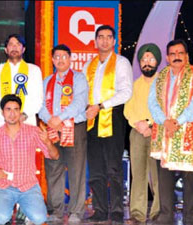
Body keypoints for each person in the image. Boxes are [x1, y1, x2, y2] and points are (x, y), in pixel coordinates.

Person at [82, 25, 133, 223]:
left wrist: (102, 106)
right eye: (100, 37)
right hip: (92, 120)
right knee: (96, 169)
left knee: (113, 168)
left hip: (113, 117)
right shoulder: (89, 65)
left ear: (114, 41)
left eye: (108, 37)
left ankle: (118, 210)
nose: (104, 41)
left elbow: (126, 92)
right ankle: (100, 209)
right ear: (95, 41)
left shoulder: (121, 63)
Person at [148, 39, 193, 225]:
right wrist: (165, 122)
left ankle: (191, 219)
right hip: (164, 133)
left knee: (190, 181)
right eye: (173, 54)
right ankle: (165, 217)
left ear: (186, 56)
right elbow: (152, 103)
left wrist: (177, 122)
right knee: (164, 180)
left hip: (186, 132)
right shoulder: (160, 77)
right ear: (168, 58)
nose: (176, 57)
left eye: (180, 53)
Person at [0, 94, 59, 225]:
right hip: (4, 186)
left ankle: (24, 209)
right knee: (0, 218)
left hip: (28, 185)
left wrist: (48, 142)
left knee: (39, 218)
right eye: (8, 109)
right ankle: (7, 209)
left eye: (16, 109)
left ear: (20, 111)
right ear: (2, 112)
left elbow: (55, 156)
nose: (12, 113)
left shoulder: (33, 131)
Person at [38, 44, 88, 223]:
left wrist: (59, 118)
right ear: (52, 60)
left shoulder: (79, 78)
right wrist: (51, 120)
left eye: (64, 56)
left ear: (70, 58)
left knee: (77, 171)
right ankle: (57, 211)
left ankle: (76, 212)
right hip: (52, 129)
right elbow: (40, 105)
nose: (60, 60)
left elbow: (80, 103)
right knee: (53, 170)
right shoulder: (47, 81)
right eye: (57, 57)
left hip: (74, 127)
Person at [123, 43, 161, 223]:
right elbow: (127, 109)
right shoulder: (135, 84)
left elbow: (166, 108)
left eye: (151, 58)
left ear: (157, 61)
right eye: (144, 59)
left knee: (158, 176)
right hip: (137, 132)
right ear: (139, 62)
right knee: (138, 175)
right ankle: (137, 214)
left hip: (158, 132)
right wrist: (137, 124)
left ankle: (157, 213)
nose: (147, 62)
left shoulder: (163, 84)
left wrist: (149, 124)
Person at [0, 34, 43, 130]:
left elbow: (38, 99)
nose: (14, 47)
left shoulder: (34, 70)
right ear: (6, 50)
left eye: (17, 44)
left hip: (26, 121)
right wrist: (7, 116)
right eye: (11, 44)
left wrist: (24, 115)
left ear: (23, 49)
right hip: (2, 122)